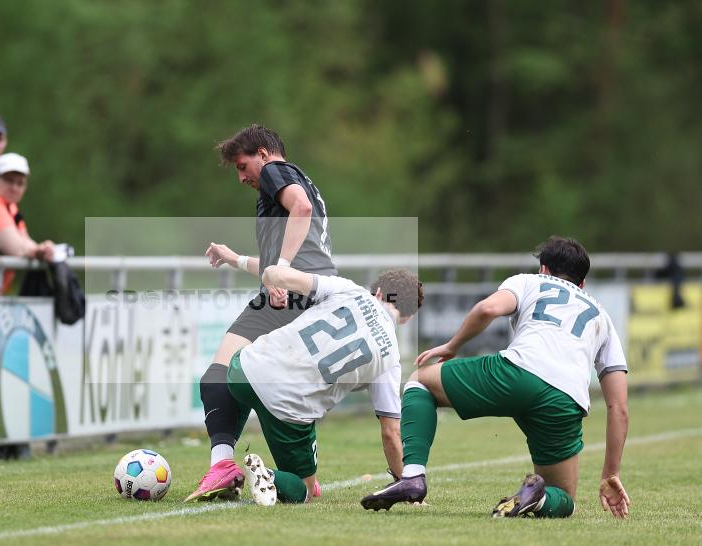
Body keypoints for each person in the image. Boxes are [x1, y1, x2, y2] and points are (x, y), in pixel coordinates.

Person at [361, 236, 631, 519]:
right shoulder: (602, 316)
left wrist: (453, 346)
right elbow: (619, 408)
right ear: (583, 284)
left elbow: (487, 309)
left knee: (420, 382)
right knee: (564, 499)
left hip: (516, 374)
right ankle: (539, 498)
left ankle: (413, 476)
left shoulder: (530, 282)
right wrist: (610, 473)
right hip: (565, 400)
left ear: (544, 269)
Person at [186, 124, 338, 501]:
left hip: (293, 294)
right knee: (273, 385)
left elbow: (298, 212)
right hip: (315, 295)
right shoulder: (296, 184)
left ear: (264, 154)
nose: (241, 177)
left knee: (217, 376)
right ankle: (304, 476)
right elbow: (287, 254)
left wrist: (280, 272)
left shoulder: (276, 172)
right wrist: (235, 258)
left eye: (242, 166)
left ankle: (222, 465)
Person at [225, 264, 422, 504]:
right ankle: (268, 475)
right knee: (305, 490)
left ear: (378, 292)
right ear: (408, 318)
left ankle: (221, 462)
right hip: (287, 407)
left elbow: (274, 273)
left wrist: (271, 282)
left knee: (240, 386)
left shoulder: (349, 289)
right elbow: (391, 432)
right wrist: (409, 487)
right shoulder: (391, 359)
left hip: (246, 368)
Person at [0, 153, 55, 294]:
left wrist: (43, 248)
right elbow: (18, 249)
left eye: (20, 183)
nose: (15, 187)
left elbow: (25, 242)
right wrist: (41, 251)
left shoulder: (10, 207)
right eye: (9, 180)